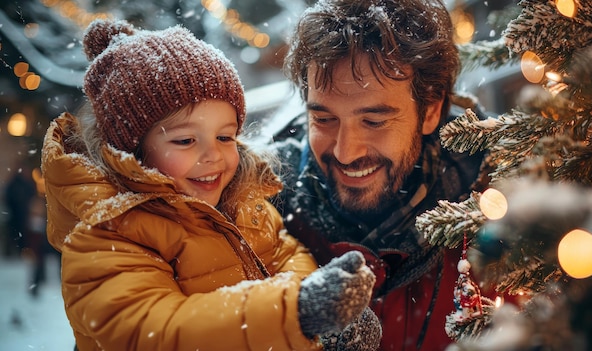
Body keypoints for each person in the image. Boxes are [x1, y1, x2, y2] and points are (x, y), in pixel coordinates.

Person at [42, 19, 382, 351]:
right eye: (186, 140)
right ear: (133, 148)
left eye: (225, 136)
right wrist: (295, 313)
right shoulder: (109, 234)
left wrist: (324, 317)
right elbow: (156, 332)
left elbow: (285, 257)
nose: (213, 155)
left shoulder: (245, 208)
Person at [271, 0, 488, 350]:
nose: (345, 152)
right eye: (323, 120)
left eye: (373, 121)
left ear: (430, 111)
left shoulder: (504, 208)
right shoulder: (258, 215)